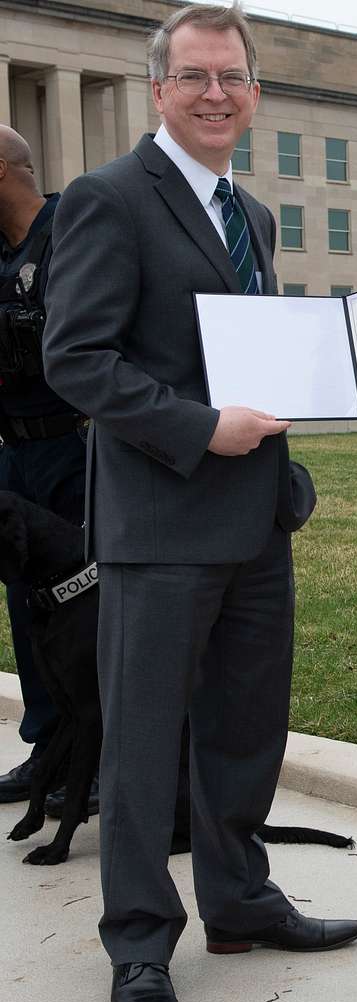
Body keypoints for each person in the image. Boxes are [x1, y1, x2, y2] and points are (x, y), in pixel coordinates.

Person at [42, 6, 357, 1002]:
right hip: (161, 522)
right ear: (159, 90)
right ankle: (139, 939)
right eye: (195, 77)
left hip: (255, 523)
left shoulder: (254, 216)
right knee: (142, 746)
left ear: (254, 92)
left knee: (244, 729)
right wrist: (197, 428)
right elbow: (77, 360)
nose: (215, 94)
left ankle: (238, 899)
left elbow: (262, 361)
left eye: (231, 77)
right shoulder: (107, 200)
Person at [0, 125, 90, 810]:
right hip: (15, 452)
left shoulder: (72, 232)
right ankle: (47, 747)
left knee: (84, 608)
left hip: (74, 444)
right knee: (29, 604)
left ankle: (94, 758)